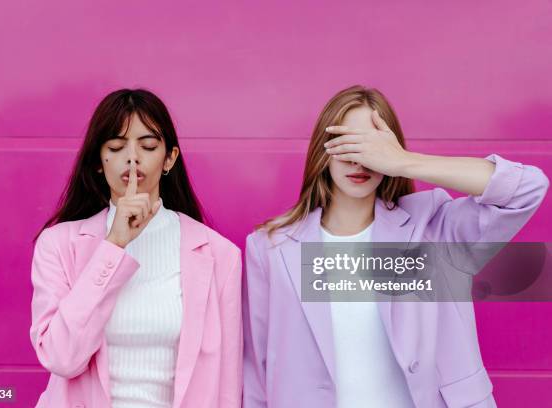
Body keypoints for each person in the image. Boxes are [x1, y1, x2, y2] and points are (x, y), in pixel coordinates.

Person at [242, 85, 549, 407]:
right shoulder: (271, 248)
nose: (360, 160)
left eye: (372, 146)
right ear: (324, 149)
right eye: (349, 143)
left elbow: (526, 190)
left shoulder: (432, 228)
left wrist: (404, 162)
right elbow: (256, 369)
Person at [30, 89, 242, 408]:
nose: (132, 158)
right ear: (98, 163)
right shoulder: (58, 244)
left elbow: (227, 385)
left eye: (148, 146)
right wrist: (113, 246)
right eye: (116, 147)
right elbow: (61, 357)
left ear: (169, 157)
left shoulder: (219, 255)